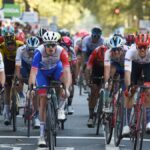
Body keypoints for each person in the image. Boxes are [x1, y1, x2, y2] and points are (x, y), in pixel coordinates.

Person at [28, 31, 72, 147]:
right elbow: (33, 72)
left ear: (57, 44)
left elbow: (67, 71)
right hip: (42, 73)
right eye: (48, 45)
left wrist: (67, 88)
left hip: (55, 70)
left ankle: (61, 107)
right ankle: (42, 135)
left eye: (53, 45)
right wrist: (31, 88)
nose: (51, 47)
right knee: (42, 98)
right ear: (44, 45)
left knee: (64, 86)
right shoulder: (39, 52)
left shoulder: (62, 51)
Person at [124, 33, 150, 134]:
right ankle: (126, 125)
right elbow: (127, 72)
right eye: (140, 47)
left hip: (148, 65)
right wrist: (129, 86)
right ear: (136, 46)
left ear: (148, 46)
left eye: (145, 47)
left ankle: (148, 121)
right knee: (130, 91)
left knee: (148, 90)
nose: (142, 50)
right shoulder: (131, 52)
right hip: (134, 65)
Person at [0, 25, 24, 125]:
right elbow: (1, 62)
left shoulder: (20, 44)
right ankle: (6, 109)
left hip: (18, 62)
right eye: (7, 43)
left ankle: (21, 95)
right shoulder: (1, 46)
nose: (10, 46)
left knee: (20, 78)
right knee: (7, 86)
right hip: (7, 63)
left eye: (11, 43)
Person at [15, 36, 40, 128]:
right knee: (19, 78)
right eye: (30, 49)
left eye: (34, 50)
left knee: (36, 89)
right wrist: (18, 77)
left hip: (35, 65)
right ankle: (22, 96)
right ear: (26, 47)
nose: (31, 52)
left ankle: (36, 116)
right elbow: (17, 66)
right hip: (24, 65)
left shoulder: (40, 52)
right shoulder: (20, 50)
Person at [86, 45, 107, 127]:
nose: (101, 62)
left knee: (109, 87)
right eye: (100, 60)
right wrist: (88, 81)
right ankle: (91, 116)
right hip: (96, 71)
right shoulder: (94, 53)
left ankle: (107, 111)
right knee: (94, 92)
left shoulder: (109, 54)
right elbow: (88, 69)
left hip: (107, 69)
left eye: (103, 61)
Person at [82, 26, 104, 93]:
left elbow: (104, 53)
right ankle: (87, 83)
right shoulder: (86, 40)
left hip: (98, 54)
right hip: (88, 53)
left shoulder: (102, 41)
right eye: (94, 36)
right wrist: (85, 62)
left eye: (98, 37)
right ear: (91, 35)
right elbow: (84, 53)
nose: (96, 39)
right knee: (86, 67)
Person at [60, 36, 77, 114]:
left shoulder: (72, 51)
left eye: (67, 46)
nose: (65, 48)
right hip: (59, 68)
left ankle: (69, 105)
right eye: (63, 45)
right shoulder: (57, 50)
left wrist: (74, 76)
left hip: (68, 67)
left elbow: (74, 64)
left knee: (70, 86)